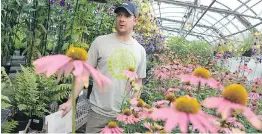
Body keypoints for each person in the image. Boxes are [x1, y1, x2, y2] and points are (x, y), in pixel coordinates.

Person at [58, 1, 147, 133]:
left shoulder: (140, 51)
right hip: (97, 114)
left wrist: (133, 110)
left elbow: (138, 81)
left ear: (135, 20)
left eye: (127, 16)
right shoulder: (100, 42)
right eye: (119, 15)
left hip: (123, 117)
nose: (122, 19)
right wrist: (70, 102)